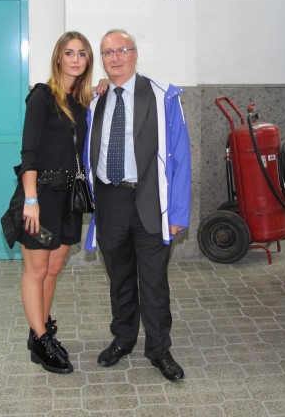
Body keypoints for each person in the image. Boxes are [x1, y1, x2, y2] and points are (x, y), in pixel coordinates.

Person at [84, 29, 191, 382]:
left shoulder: (162, 96)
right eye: (107, 52)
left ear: (135, 54)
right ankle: (124, 337)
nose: (115, 58)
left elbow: (181, 157)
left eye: (122, 50)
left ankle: (159, 349)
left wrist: (177, 213)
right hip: (110, 199)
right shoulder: (96, 100)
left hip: (150, 200)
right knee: (119, 277)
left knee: (154, 281)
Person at [17, 31, 94, 374]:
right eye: (69, 53)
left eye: (82, 54)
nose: (75, 59)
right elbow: (29, 151)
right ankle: (41, 339)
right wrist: (30, 199)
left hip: (69, 198)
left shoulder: (80, 102)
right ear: (58, 57)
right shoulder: (42, 97)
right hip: (42, 195)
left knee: (53, 267)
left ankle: (41, 328)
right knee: (36, 270)